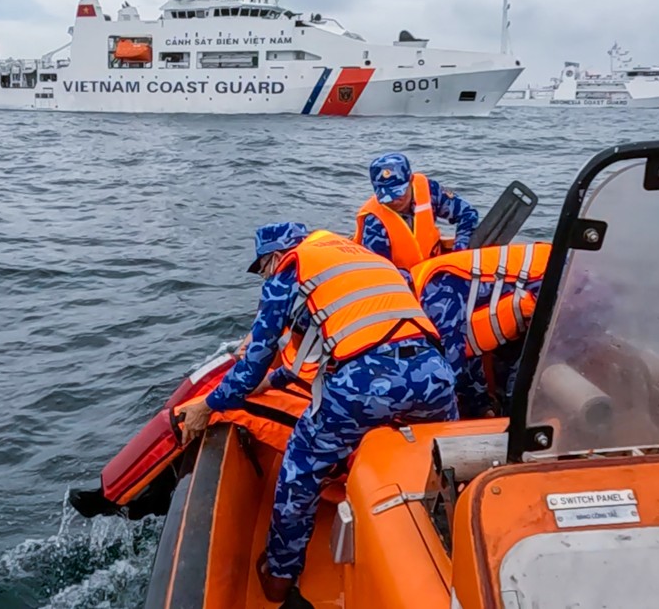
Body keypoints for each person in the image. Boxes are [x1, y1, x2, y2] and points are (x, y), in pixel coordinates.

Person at [180, 222, 458, 601]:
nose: (265, 276)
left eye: (262, 269)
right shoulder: (364, 260)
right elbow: (353, 337)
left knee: (300, 469)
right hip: (436, 375)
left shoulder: (290, 269)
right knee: (447, 464)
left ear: (275, 256)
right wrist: (275, 381)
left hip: (365, 384)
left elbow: (256, 358)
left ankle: (279, 576)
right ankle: (453, 546)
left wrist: (210, 404)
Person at [412, 242, 550, 418]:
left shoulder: (435, 291)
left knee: (533, 359)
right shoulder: (434, 281)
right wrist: (481, 404)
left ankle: (514, 415)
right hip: (549, 271)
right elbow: (469, 348)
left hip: (548, 278)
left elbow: (450, 363)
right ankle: (499, 411)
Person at [354, 152, 480, 284]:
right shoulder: (373, 221)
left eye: (399, 193)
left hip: (436, 269)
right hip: (406, 284)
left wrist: (460, 251)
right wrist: (416, 280)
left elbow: (468, 214)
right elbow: (379, 271)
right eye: (387, 197)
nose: (394, 200)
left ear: (410, 181)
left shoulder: (429, 190)